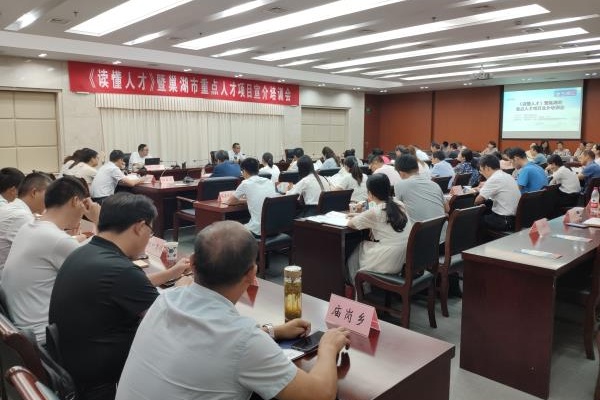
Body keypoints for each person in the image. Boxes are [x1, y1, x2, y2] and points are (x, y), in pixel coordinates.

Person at [115, 221, 350, 400]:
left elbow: (211, 341)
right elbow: (319, 395)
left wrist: (273, 331)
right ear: (252, 273)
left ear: (192, 263)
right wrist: (328, 347)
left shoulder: (164, 300)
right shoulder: (243, 340)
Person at [48, 193, 161, 400]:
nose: (148, 238)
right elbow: (166, 320)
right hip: (101, 385)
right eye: (151, 232)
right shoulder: (121, 270)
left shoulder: (82, 252)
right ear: (140, 227)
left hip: (71, 368)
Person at [3, 177, 100, 343]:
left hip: (23, 327)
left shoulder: (30, 227)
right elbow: (97, 270)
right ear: (75, 201)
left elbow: (77, 253)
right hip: (46, 338)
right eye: (84, 204)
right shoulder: (56, 239)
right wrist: (98, 220)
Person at [346, 174, 412, 283]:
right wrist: (363, 217)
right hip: (406, 255)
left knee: (358, 248)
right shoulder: (399, 204)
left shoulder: (375, 212)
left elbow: (351, 224)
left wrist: (360, 216)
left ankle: (358, 288)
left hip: (390, 259)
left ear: (370, 193)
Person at [0, 172, 52, 276]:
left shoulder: (13, 207)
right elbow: (45, 249)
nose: (50, 200)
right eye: (48, 195)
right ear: (34, 192)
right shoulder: (21, 216)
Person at [394, 155, 448, 242]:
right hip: (445, 238)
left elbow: (398, 212)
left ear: (401, 173)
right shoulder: (434, 184)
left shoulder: (400, 185)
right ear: (417, 168)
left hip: (422, 241)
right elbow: (447, 209)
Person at [226, 158, 277, 237]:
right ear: (258, 170)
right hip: (275, 228)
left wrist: (246, 200)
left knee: (231, 230)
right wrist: (249, 200)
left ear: (244, 171)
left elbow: (230, 202)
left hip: (259, 230)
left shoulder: (245, 183)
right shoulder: (269, 181)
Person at [473, 154, 521, 232]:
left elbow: (478, 200)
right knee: (487, 206)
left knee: (474, 220)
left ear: (487, 168)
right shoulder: (507, 175)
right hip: (514, 219)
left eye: (481, 170)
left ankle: (483, 240)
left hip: (504, 220)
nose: (481, 173)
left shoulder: (494, 178)